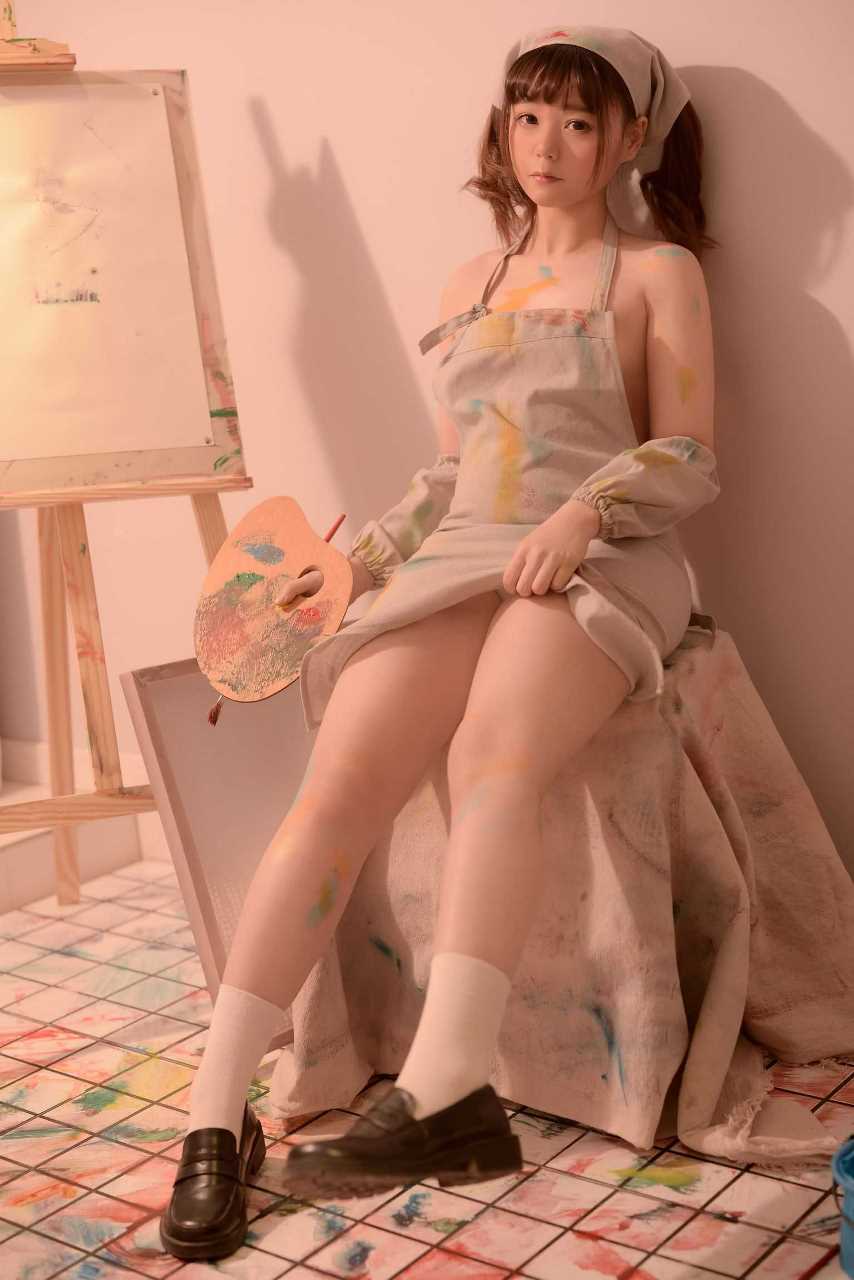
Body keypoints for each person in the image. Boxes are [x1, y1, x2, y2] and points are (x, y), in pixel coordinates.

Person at [161, 23, 721, 1260]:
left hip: (602, 550)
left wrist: (586, 515)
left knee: (491, 757)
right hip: (468, 545)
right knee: (337, 784)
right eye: (526, 114)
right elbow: (451, 471)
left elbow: (688, 451)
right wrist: (358, 562)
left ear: (628, 137)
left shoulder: (654, 273)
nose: (544, 144)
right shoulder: (466, 282)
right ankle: (213, 1112)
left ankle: (447, 1086)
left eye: (576, 120)